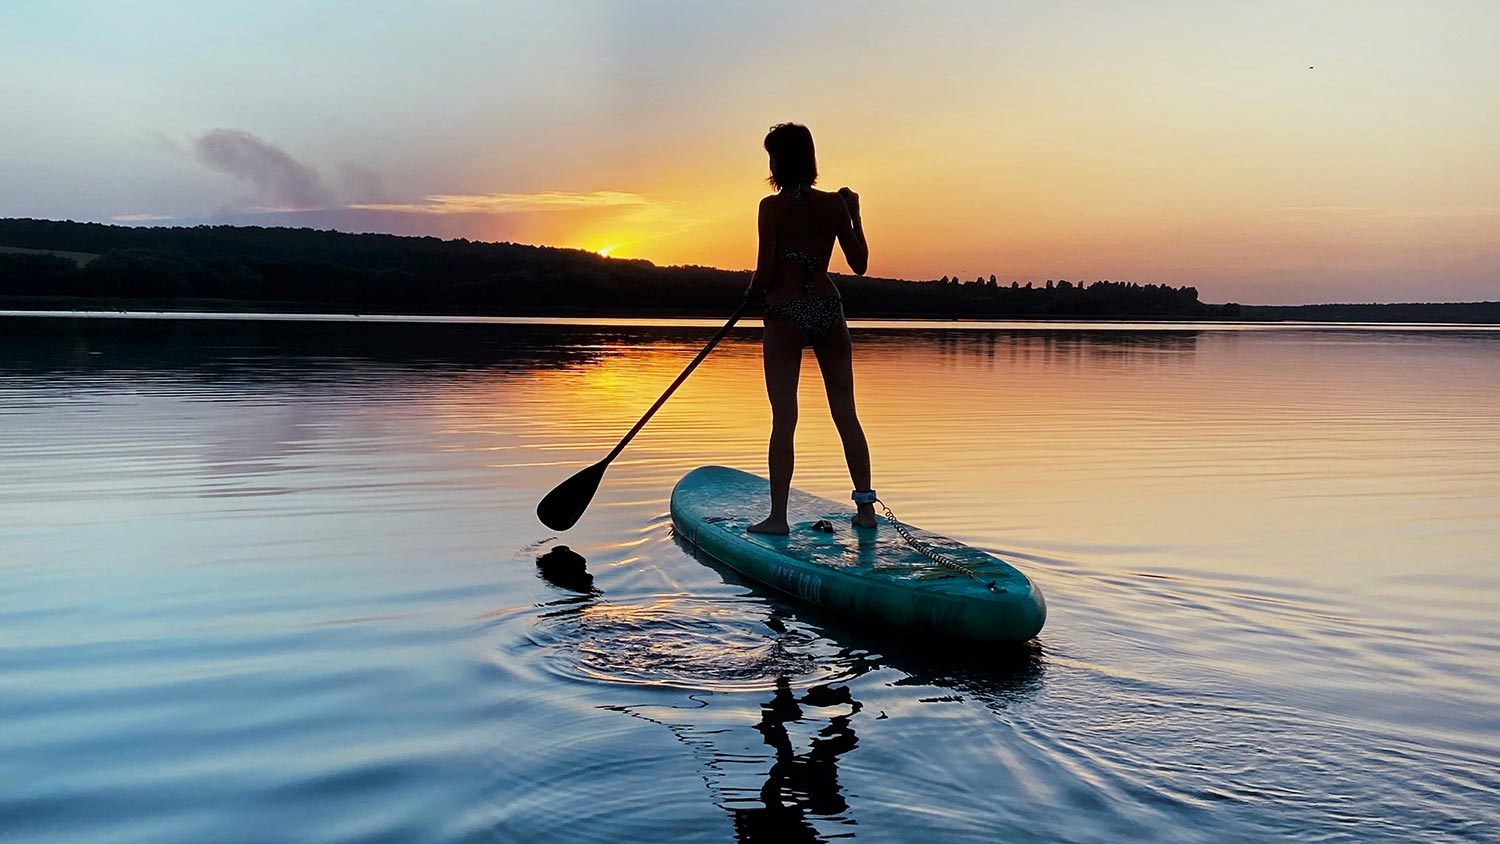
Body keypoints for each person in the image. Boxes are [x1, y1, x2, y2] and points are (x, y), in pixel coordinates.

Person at [744, 123, 876, 535]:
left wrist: (749, 294)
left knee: (784, 419)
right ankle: (866, 511)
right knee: (846, 414)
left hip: (784, 313)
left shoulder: (771, 208)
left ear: (779, 162)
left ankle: (777, 519)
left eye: (772, 156)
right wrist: (854, 215)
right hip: (827, 310)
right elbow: (859, 264)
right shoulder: (834, 205)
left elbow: (766, 273)